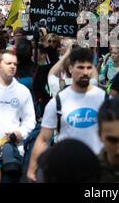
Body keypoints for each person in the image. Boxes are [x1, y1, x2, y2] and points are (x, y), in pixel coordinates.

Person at [27, 47, 106, 183]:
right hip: (65, 167)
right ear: (70, 69)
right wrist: (31, 169)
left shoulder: (104, 98)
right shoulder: (57, 102)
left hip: (97, 168)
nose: (85, 72)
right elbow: (43, 139)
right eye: (80, 67)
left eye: (88, 68)